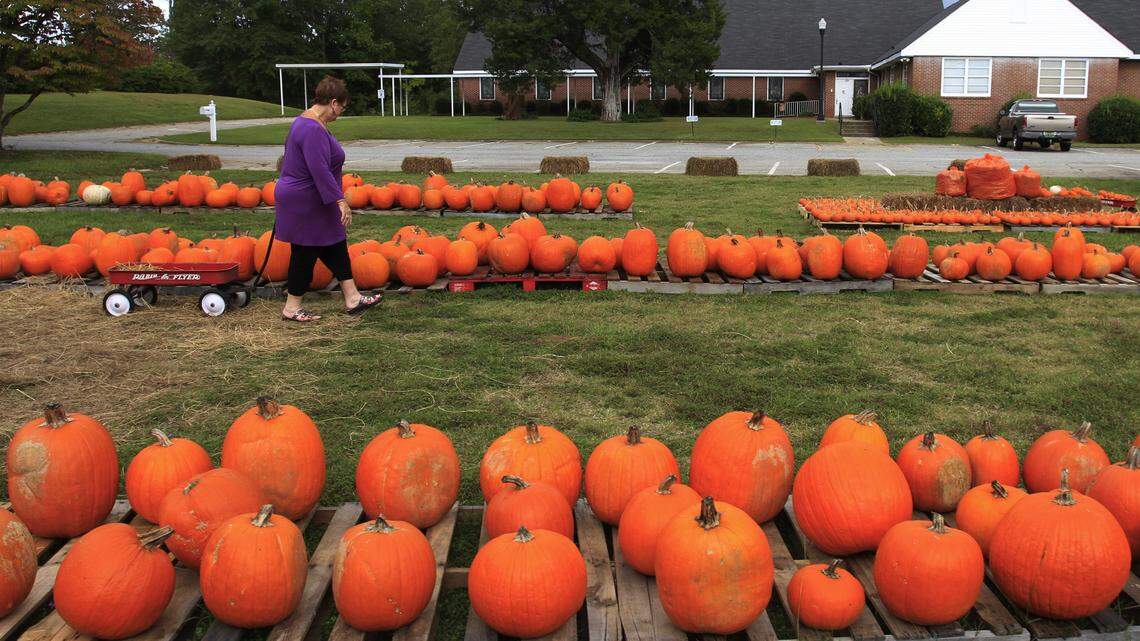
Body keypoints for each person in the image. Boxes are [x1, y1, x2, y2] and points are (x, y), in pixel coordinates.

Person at [273, 75, 380, 321]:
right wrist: (340, 200)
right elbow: (318, 168)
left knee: (334, 241)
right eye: (342, 107)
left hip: (314, 196)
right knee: (305, 250)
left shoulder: (310, 122)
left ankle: (352, 298)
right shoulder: (311, 128)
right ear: (333, 102)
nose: (340, 113)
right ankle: (291, 307)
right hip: (305, 199)